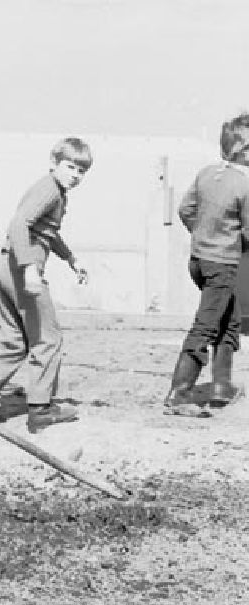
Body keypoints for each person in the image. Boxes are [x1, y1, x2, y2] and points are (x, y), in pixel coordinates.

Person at [0, 138, 92, 435]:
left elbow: (46, 233)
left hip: (6, 269)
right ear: (54, 163)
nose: (75, 174)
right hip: (22, 271)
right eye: (70, 167)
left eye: (81, 170)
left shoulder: (53, 191)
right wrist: (29, 270)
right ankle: (41, 410)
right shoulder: (50, 189)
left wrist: (70, 259)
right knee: (48, 339)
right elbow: (19, 224)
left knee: (14, 341)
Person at [165, 112, 249, 415]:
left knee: (230, 319)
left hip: (199, 261)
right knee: (206, 326)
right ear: (244, 151)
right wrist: (232, 242)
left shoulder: (206, 173)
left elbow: (186, 209)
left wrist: (204, 235)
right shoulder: (244, 184)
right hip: (222, 266)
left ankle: (220, 387)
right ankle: (179, 393)